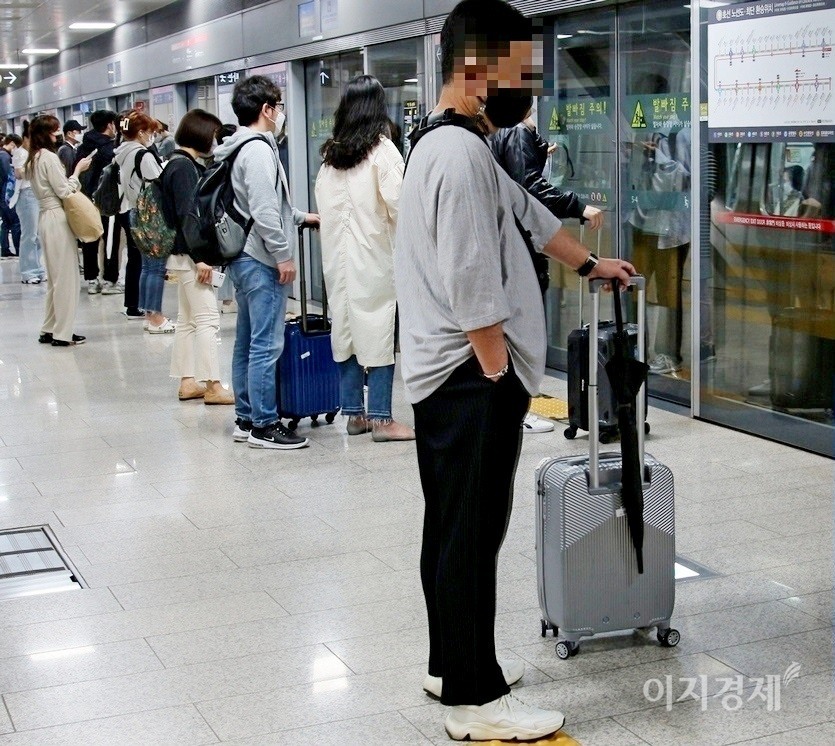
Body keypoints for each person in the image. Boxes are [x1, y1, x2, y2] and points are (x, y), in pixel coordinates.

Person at [393, 1, 635, 740]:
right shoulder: (459, 154)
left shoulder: (451, 143)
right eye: (517, 72)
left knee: (453, 529)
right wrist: (498, 370)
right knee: (470, 534)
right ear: (473, 72)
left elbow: (528, 218)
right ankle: (474, 700)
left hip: (452, 374)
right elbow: (470, 273)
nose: (527, 88)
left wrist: (590, 263)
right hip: (470, 377)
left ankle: (450, 665)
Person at [214, 75, 319, 450]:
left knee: (246, 342)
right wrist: (283, 255)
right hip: (260, 260)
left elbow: (266, 205)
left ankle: (245, 417)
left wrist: (302, 217)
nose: (281, 114)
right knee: (265, 344)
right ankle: (264, 424)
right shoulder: (258, 150)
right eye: (278, 106)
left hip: (243, 257)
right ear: (266, 110)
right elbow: (262, 209)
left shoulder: (237, 146)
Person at [491, 113, 605, 434]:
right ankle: (519, 406)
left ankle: (515, 403)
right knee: (522, 329)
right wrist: (577, 206)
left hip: (513, 246)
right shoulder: (515, 132)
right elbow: (529, 189)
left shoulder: (511, 134)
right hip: (520, 248)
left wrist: (540, 147)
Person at [315, 75, 415, 442]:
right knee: (378, 329)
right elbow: (403, 206)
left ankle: (354, 415)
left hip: (336, 261)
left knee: (346, 330)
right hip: (375, 257)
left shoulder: (331, 156)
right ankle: (382, 420)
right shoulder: (382, 151)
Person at [162, 109, 234, 405]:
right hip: (192, 257)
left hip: (181, 255)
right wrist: (201, 258)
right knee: (207, 320)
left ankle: (188, 381)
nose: (215, 142)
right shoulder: (184, 168)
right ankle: (213, 385)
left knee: (188, 320)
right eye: (213, 136)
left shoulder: (175, 163)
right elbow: (188, 217)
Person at [26, 114, 93, 346]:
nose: (58, 134)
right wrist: (77, 172)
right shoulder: (50, 158)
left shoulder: (34, 158)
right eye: (54, 130)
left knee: (56, 278)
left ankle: (49, 327)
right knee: (66, 279)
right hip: (57, 217)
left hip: (45, 217)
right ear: (46, 133)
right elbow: (65, 191)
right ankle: (63, 333)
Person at [114, 111, 171, 331]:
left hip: (134, 211)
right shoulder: (143, 155)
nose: (152, 136)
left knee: (147, 267)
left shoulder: (123, 153)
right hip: (151, 215)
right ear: (140, 132)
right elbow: (159, 182)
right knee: (155, 268)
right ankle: (155, 317)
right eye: (150, 132)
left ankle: (149, 314)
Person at [75, 110, 123, 296]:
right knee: (111, 239)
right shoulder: (109, 149)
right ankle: (110, 280)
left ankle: (91, 279)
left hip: (86, 199)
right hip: (108, 201)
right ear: (110, 125)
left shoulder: (83, 146)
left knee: (90, 239)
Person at [12, 121, 47, 285]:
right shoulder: (20, 153)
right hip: (26, 195)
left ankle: (38, 269)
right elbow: (19, 174)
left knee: (39, 235)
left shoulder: (37, 152)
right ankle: (28, 271)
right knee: (29, 235)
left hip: (37, 193)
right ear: (26, 137)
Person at [0, 134, 21, 259]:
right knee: (14, 222)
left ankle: (5, 248)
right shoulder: (4, 156)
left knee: (6, 223)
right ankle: (18, 248)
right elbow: (9, 177)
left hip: (2, 195)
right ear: (12, 143)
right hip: (6, 194)